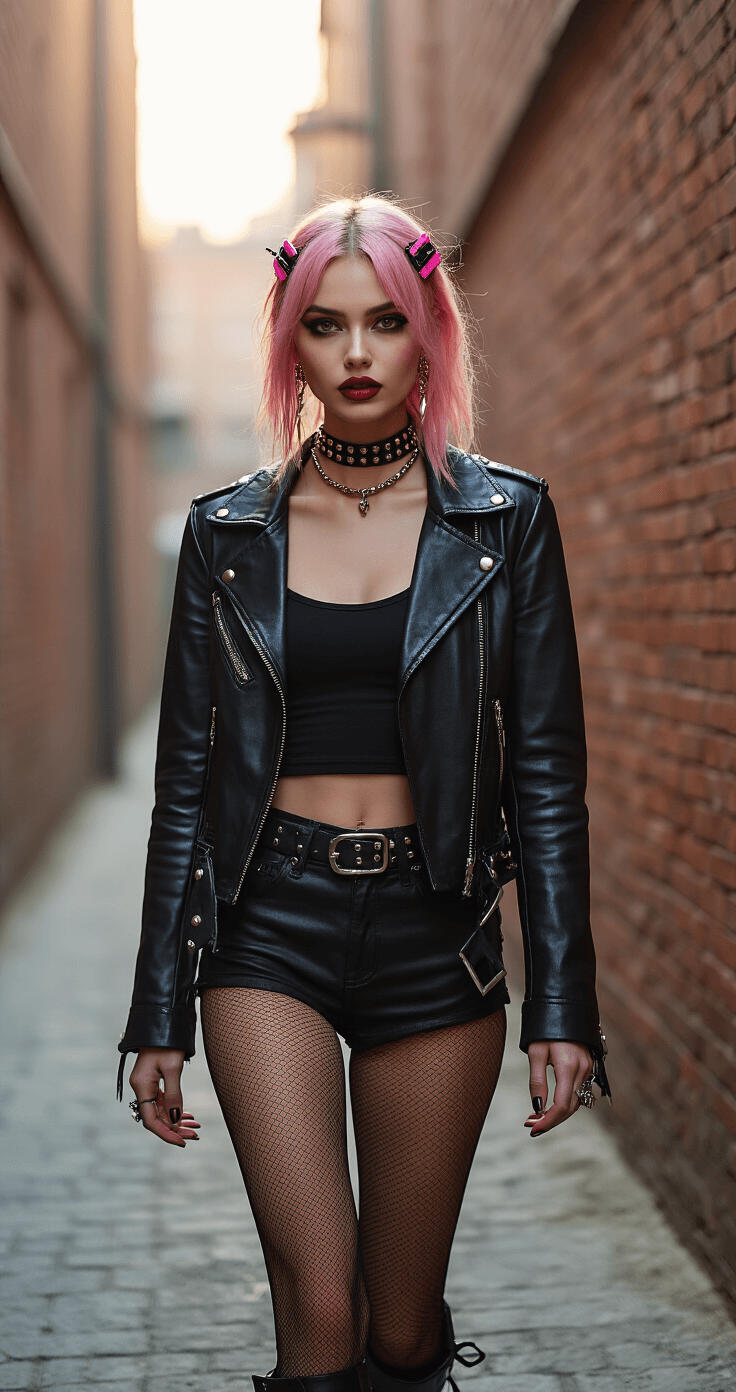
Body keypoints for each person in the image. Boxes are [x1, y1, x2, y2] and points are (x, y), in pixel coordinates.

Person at [118, 196, 609, 1392]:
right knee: (321, 1308)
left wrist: (563, 1003)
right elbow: (184, 783)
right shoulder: (226, 536)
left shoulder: (505, 523)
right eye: (324, 324)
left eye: (385, 322)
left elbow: (548, 774)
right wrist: (156, 1009)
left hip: (434, 936)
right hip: (265, 928)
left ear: (426, 334)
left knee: (398, 1326)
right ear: (289, 341)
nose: (354, 353)